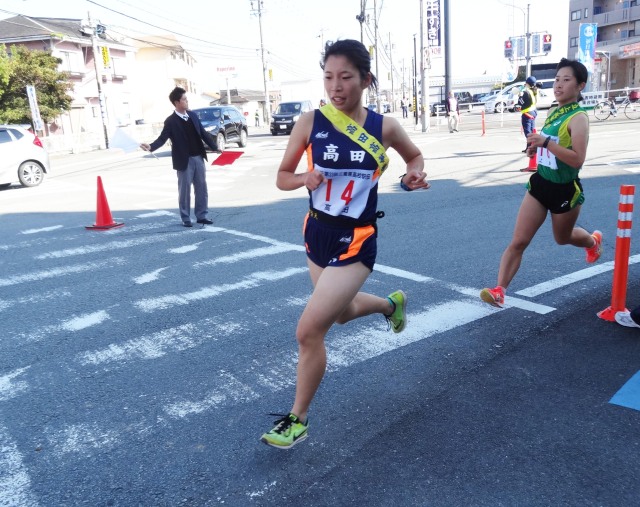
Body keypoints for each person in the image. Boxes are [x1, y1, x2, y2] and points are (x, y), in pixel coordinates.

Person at [260, 39, 430, 449]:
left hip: (356, 241)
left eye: (346, 77)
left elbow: (414, 158)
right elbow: (283, 176)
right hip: (317, 233)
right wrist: (304, 178)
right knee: (340, 314)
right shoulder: (309, 122)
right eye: (329, 77)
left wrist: (413, 177)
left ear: (365, 80)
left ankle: (297, 419)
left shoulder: (384, 127)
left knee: (308, 331)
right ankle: (392, 305)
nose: (336, 86)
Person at [480, 58, 602, 308]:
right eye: (557, 79)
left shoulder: (579, 118)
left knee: (563, 237)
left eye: (566, 80)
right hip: (540, 184)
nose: (559, 84)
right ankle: (499, 290)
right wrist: (534, 149)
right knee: (519, 241)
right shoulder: (554, 110)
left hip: (565, 188)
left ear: (580, 86)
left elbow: (578, 159)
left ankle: (592, 241)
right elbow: (548, 145)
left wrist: (546, 144)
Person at [140, 87, 218, 227]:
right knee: (185, 190)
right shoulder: (170, 121)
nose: (187, 101)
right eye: (184, 99)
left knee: (201, 188)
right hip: (184, 160)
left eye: (186, 99)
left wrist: (214, 147)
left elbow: (203, 133)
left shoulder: (193, 116)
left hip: (198, 157)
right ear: (177, 102)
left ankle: (202, 215)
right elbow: (162, 138)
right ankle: (186, 217)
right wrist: (151, 147)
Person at [517, 76, 538, 153]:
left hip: (527, 113)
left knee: (528, 132)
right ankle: (530, 147)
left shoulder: (526, 92)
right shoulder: (535, 91)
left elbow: (521, 103)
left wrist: (519, 96)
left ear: (527, 84)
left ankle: (531, 148)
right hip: (534, 112)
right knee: (532, 131)